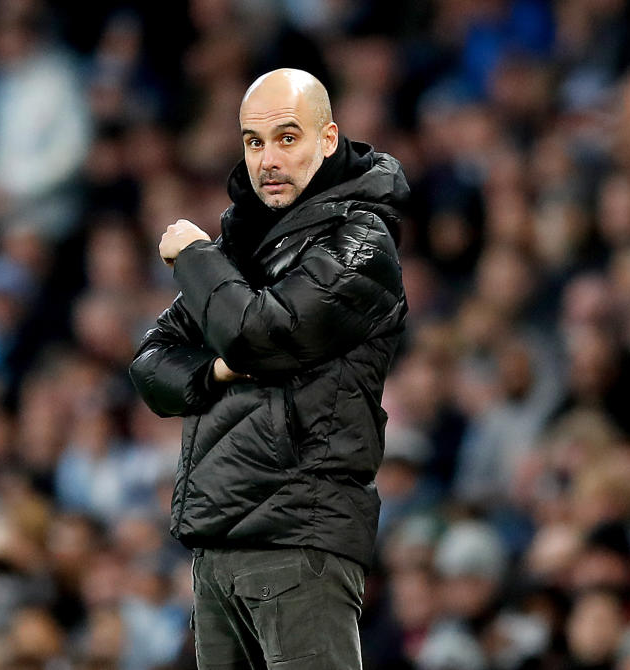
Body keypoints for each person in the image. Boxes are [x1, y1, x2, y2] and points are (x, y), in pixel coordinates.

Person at [130, 68, 409, 669]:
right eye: (255, 143)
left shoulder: (361, 241)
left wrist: (195, 256)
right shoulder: (245, 247)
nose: (268, 159)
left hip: (299, 535)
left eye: (287, 138)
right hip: (218, 540)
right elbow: (151, 362)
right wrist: (216, 374)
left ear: (328, 139)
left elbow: (261, 335)